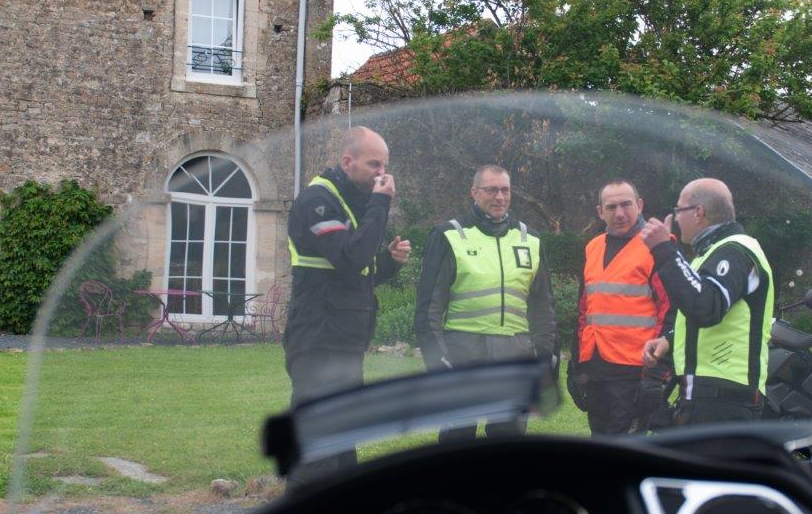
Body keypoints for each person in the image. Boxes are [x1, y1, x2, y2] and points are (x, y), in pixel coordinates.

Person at [283, 126, 412, 445]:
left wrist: (389, 262)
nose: (382, 173)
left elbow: (358, 271)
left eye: (384, 165)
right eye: (374, 164)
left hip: (344, 336)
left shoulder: (352, 201)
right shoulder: (318, 200)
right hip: (318, 335)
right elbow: (350, 258)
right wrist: (380, 203)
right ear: (346, 162)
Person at [415, 165, 557, 442]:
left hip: (515, 354)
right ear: (474, 192)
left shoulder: (530, 239)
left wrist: (546, 354)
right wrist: (437, 359)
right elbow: (428, 307)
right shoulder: (449, 235)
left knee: (509, 438)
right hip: (463, 352)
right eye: (491, 190)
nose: (499, 197)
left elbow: (543, 307)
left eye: (505, 190)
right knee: (458, 438)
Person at [640, 178, 774, 424]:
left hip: (725, 398)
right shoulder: (711, 253)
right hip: (711, 396)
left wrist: (664, 249)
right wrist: (669, 341)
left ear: (698, 212)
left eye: (679, 210)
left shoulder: (734, 251)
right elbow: (703, 308)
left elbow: (706, 308)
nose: (676, 218)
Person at [570, 179, 675, 435]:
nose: (619, 213)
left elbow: (672, 312)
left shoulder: (658, 247)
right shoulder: (593, 247)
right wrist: (576, 366)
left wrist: (657, 374)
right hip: (596, 369)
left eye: (626, 205)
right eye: (611, 207)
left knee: (625, 448)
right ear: (600, 212)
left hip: (635, 372)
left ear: (640, 205)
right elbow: (584, 311)